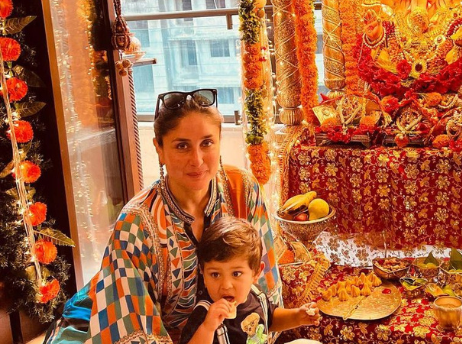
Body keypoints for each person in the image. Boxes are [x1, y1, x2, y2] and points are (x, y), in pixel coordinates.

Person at [45, 89, 281, 343]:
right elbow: (132, 332)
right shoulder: (135, 223)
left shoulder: (241, 189)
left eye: (207, 143)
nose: (197, 160)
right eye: (182, 146)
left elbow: (264, 291)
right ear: (159, 148)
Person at [179, 217, 320, 344]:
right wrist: (208, 328)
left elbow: (270, 319)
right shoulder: (204, 314)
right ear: (203, 275)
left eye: (236, 273)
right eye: (215, 274)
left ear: (256, 273)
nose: (226, 285)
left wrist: (297, 317)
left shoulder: (255, 295)